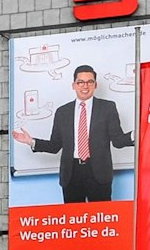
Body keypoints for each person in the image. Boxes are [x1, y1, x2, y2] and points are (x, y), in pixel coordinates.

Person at [11, 64, 133, 203]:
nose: (85, 86)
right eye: (80, 82)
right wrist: (31, 141)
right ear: (73, 85)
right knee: (73, 216)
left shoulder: (107, 108)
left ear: (95, 85)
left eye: (90, 82)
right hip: (71, 174)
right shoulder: (63, 112)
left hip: (99, 173)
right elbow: (55, 145)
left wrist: (136, 135)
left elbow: (117, 140)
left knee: (101, 215)